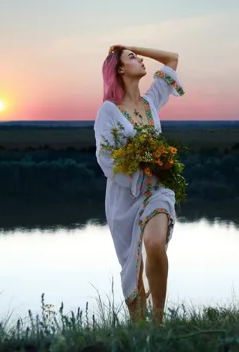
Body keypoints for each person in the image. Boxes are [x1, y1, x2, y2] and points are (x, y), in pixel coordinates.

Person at [93, 45, 185, 324]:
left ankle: (158, 322)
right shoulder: (108, 111)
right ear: (119, 69)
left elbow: (172, 58)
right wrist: (136, 173)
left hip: (158, 189)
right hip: (124, 195)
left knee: (155, 243)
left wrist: (131, 45)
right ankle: (139, 329)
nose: (140, 59)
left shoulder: (151, 102)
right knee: (132, 264)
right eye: (132, 58)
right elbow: (106, 158)